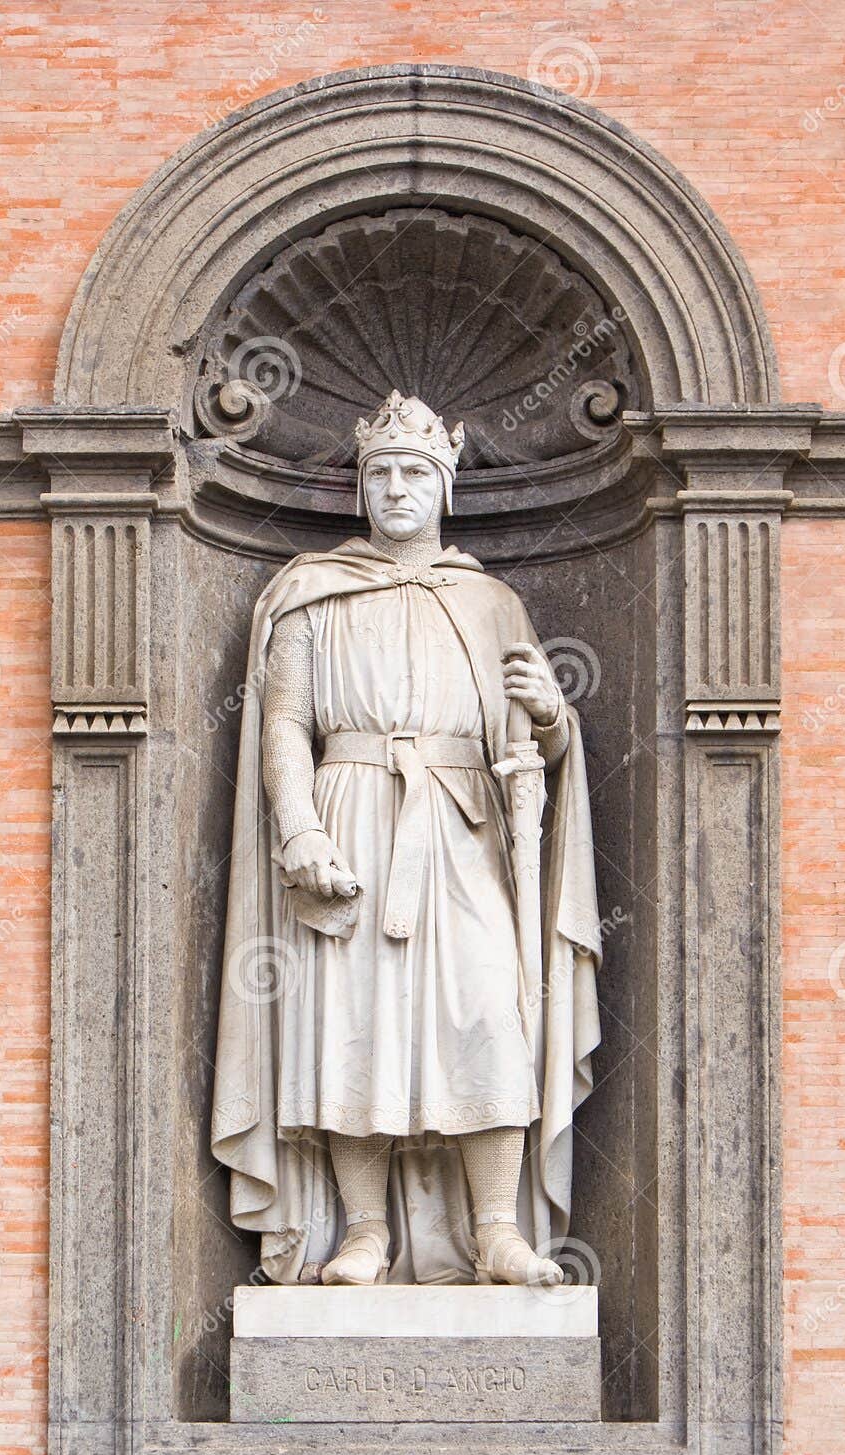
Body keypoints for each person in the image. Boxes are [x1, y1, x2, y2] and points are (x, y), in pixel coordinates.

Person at [212, 392, 601, 1288]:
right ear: (359, 486)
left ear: (445, 487)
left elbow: (531, 738)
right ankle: (362, 1234)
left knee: (487, 1013)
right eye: (380, 472)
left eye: (414, 473)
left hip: (464, 826)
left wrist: (551, 718)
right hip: (350, 814)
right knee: (354, 1018)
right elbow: (283, 729)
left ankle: (498, 1231)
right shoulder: (311, 593)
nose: (396, 488)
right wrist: (301, 828)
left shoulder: (492, 601)